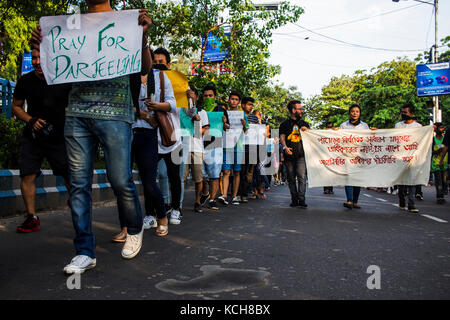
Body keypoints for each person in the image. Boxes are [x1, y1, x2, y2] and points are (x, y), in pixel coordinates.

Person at [30, 0, 152, 273]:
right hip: (77, 113)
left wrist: (143, 35)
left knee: (120, 180)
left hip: (116, 114)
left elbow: (143, 69)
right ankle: (84, 250)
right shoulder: (69, 25)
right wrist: (42, 42)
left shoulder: (128, 21)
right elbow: (49, 69)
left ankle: (134, 227)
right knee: (78, 185)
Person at [12, 49, 71, 233]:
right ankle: (31, 217)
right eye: (34, 58)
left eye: (41, 57)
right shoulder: (25, 81)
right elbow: (16, 106)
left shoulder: (63, 79)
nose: (37, 62)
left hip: (59, 137)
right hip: (34, 136)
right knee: (27, 174)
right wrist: (30, 120)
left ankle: (78, 206)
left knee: (70, 175)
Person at [151, 48, 184, 225]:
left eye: (161, 62)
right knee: (151, 177)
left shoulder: (177, 84)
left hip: (173, 138)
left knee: (174, 177)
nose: (157, 64)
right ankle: (154, 212)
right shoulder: (146, 81)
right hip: (152, 137)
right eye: (154, 61)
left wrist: (191, 100)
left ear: (168, 64)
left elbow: (187, 111)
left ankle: (176, 210)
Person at [201, 85, 229, 210]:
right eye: (205, 96)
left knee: (214, 174)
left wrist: (224, 122)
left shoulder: (220, 110)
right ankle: (205, 192)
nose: (208, 98)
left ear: (215, 97)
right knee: (200, 174)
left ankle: (212, 199)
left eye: (210, 95)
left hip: (215, 144)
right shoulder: (199, 110)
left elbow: (228, 127)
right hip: (200, 143)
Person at [339, 105, 370, 209]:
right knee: (348, 178)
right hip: (347, 156)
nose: (355, 113)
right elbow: (338, 139)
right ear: (349, 113)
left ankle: (355, 201)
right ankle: (349, 200)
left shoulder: (364, 126)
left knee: (357, 179)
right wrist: (335, 131)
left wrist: (375, 132)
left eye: (357, 111)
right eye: (353, 111)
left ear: (360, 113)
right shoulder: (343, 125)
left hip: (360, 156)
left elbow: (368, 139)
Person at [279, 100, 310, 208]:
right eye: (299, 109)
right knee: (291, 178)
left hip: (301, 155)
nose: (301, 111)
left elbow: (312, 138)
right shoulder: (284, 124)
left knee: (302, 177)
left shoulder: (304, 124)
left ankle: (301, 199)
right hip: (289, 156)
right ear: (293, 110)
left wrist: (307, 131)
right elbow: (282, 137)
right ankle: (294, 199)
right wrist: (285, 147)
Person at [220, 91, 248, 206]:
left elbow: (246, 131)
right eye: (232, 99)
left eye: (236, 99)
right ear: (229, 100)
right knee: (226, 171)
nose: (234, 101)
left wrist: (244, 124)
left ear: (239, 102)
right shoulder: (224, 113)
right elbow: (221, 128)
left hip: (239, 146)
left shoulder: (243, 114)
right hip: (227, 145)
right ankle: (224, 195)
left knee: (237, 172)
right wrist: (224, 124)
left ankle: (235, 196)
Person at [185, 87, 210, 213]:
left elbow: (206, 128)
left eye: (192, 94)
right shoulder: (181, 111)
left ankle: (198, 201)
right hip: (183, 147)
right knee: (181, 177)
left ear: (197, 97)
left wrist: (197, 129)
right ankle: (175, 204)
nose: (189, 96)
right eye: (187, 94)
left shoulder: (202, 112)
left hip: (197, 148)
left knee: (198, 177)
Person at [395, 103, 422, 213]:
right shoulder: (398, 126)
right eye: (402, 112)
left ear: (411, 113)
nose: (403, 114)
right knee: (401, 181)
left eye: (405, 112)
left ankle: (411, 203)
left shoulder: (418, 127)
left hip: (413, 158)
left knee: (412, 180)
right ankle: (401, 198)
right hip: (400, 157)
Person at [238, 97, 258, 203]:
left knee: (250, 174)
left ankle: (244, 193)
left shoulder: (255, 118)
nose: (250, 107)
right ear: (243, 105)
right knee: (240, 172)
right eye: (248, 104)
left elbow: (257, 131)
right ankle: (238, 193)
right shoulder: (238, 116)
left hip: (252, 148)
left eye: (251, 105)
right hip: (241, 147)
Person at [431, 122, 447, 204]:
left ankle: (443, 192)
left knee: (444, 182)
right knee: (438, 181)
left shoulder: (445, 138)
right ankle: (439, 197)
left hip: (445, 164)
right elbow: (430, 152)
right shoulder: (433, 140)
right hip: (436, 164)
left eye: (442, 127)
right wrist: (437, 151)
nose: (442, 129)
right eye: (440, 128)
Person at [323, 121, 334, 195]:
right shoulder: (322, 133)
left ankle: (330, 189)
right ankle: (326, 189)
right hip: (324, 156)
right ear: (326, 127)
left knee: (332, 174)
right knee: (325, 173)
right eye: (328, 127)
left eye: (331, 127)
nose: (330, 128)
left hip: (333, 156)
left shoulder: (335, 134)